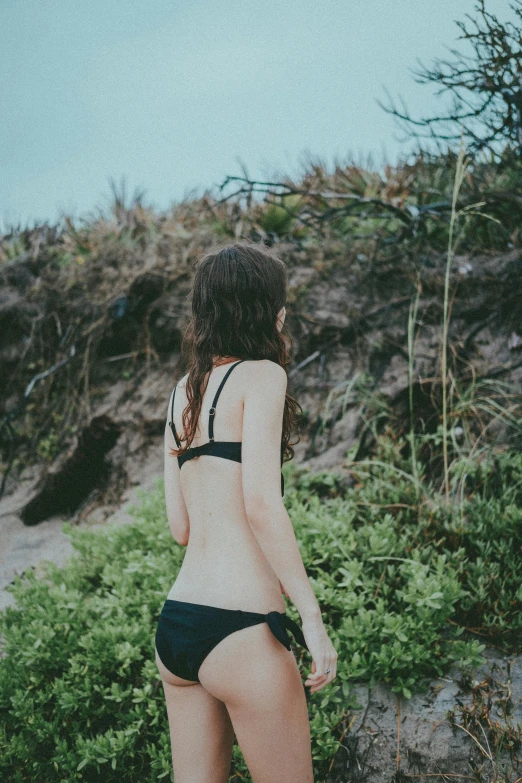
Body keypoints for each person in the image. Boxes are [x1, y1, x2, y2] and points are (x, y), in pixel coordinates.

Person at [154, 241, 338, 783]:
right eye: (280, 300)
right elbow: (261, 502)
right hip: (244, 630)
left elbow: (180, 527)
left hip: (178, 627)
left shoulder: (179, 395)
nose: (285, 311)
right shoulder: (262, 376)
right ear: (264, 308)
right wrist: (312, 619)